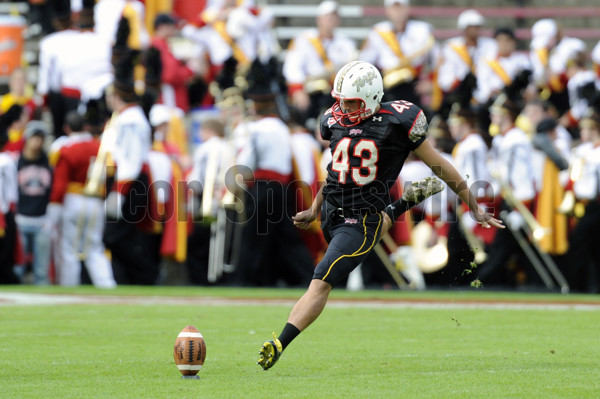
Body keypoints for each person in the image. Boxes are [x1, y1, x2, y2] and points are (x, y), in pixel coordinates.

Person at [257, 61, 503, 370]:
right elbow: (335, 172)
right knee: (348, 245)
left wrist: (474, 205)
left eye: (351, 101)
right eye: (341, 100)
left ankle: (280, 342)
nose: (343, 107)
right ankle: (400, 205)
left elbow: (439, 165)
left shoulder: (398, 120)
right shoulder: (334, 119)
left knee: (322, 278)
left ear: (372, 98)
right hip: (333, 212)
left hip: (361, 220)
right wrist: (315, 207)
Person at [15, 121, 53, 284]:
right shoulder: (15, 161)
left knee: (41, 271)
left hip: (41, 218)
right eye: (34, 138)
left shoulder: (49, 162)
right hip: (21, 217)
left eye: (40, 138)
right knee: (18, 266)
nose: (37, 142)